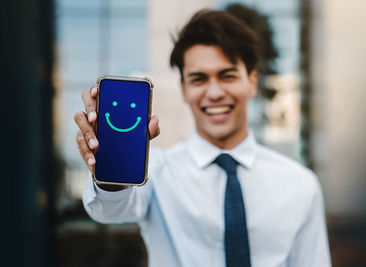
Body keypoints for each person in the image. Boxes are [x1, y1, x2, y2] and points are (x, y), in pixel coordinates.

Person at [74, 9, 331, 267]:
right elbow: (109, 209)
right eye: (199, 79)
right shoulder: (156, 172)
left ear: (252, 82)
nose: (215, 92)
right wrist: (112, 162)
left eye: (227, 76)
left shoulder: (300, 185)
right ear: (184, 89)